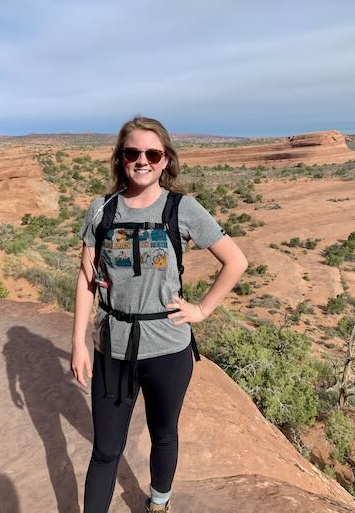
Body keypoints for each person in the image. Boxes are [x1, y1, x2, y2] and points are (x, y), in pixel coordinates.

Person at [71, 116, 248, 513]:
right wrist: (79, 342)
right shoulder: (101, 210)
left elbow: (235, 261)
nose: (142, 161)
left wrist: (202, 309)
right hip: (112, 346)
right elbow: (86, 280)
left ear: (166, 160)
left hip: (167, 348)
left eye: (153, 153)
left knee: (163, 433)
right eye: (133, 153)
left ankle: (159, 503)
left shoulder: (182, 208)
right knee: (105, 450)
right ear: (120, 159)